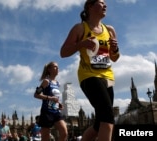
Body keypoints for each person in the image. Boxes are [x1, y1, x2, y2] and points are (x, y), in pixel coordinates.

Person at [60, 0, 120, 141]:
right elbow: (63, 52)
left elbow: (115, 57)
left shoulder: (110, 30)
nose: (105, 5)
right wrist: (81, 43)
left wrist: (115, 49)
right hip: (89, 75)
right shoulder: (80, 28)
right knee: (108, 117)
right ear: (90, 6)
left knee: (100, 123)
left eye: (105, 3)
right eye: (101, 3)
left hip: (108, 77)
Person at [34, 61, 68, 141]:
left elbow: (55, 96)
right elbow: (36, 95)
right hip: (47, 112)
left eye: (58, 67)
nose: (57, 68)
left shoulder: (57, 83)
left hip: (56, 112)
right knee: (45, 138)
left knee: (64, 133)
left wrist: (58, 103)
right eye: (55, 67)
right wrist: (50, 98)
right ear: (49, 69)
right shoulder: (46, 81)